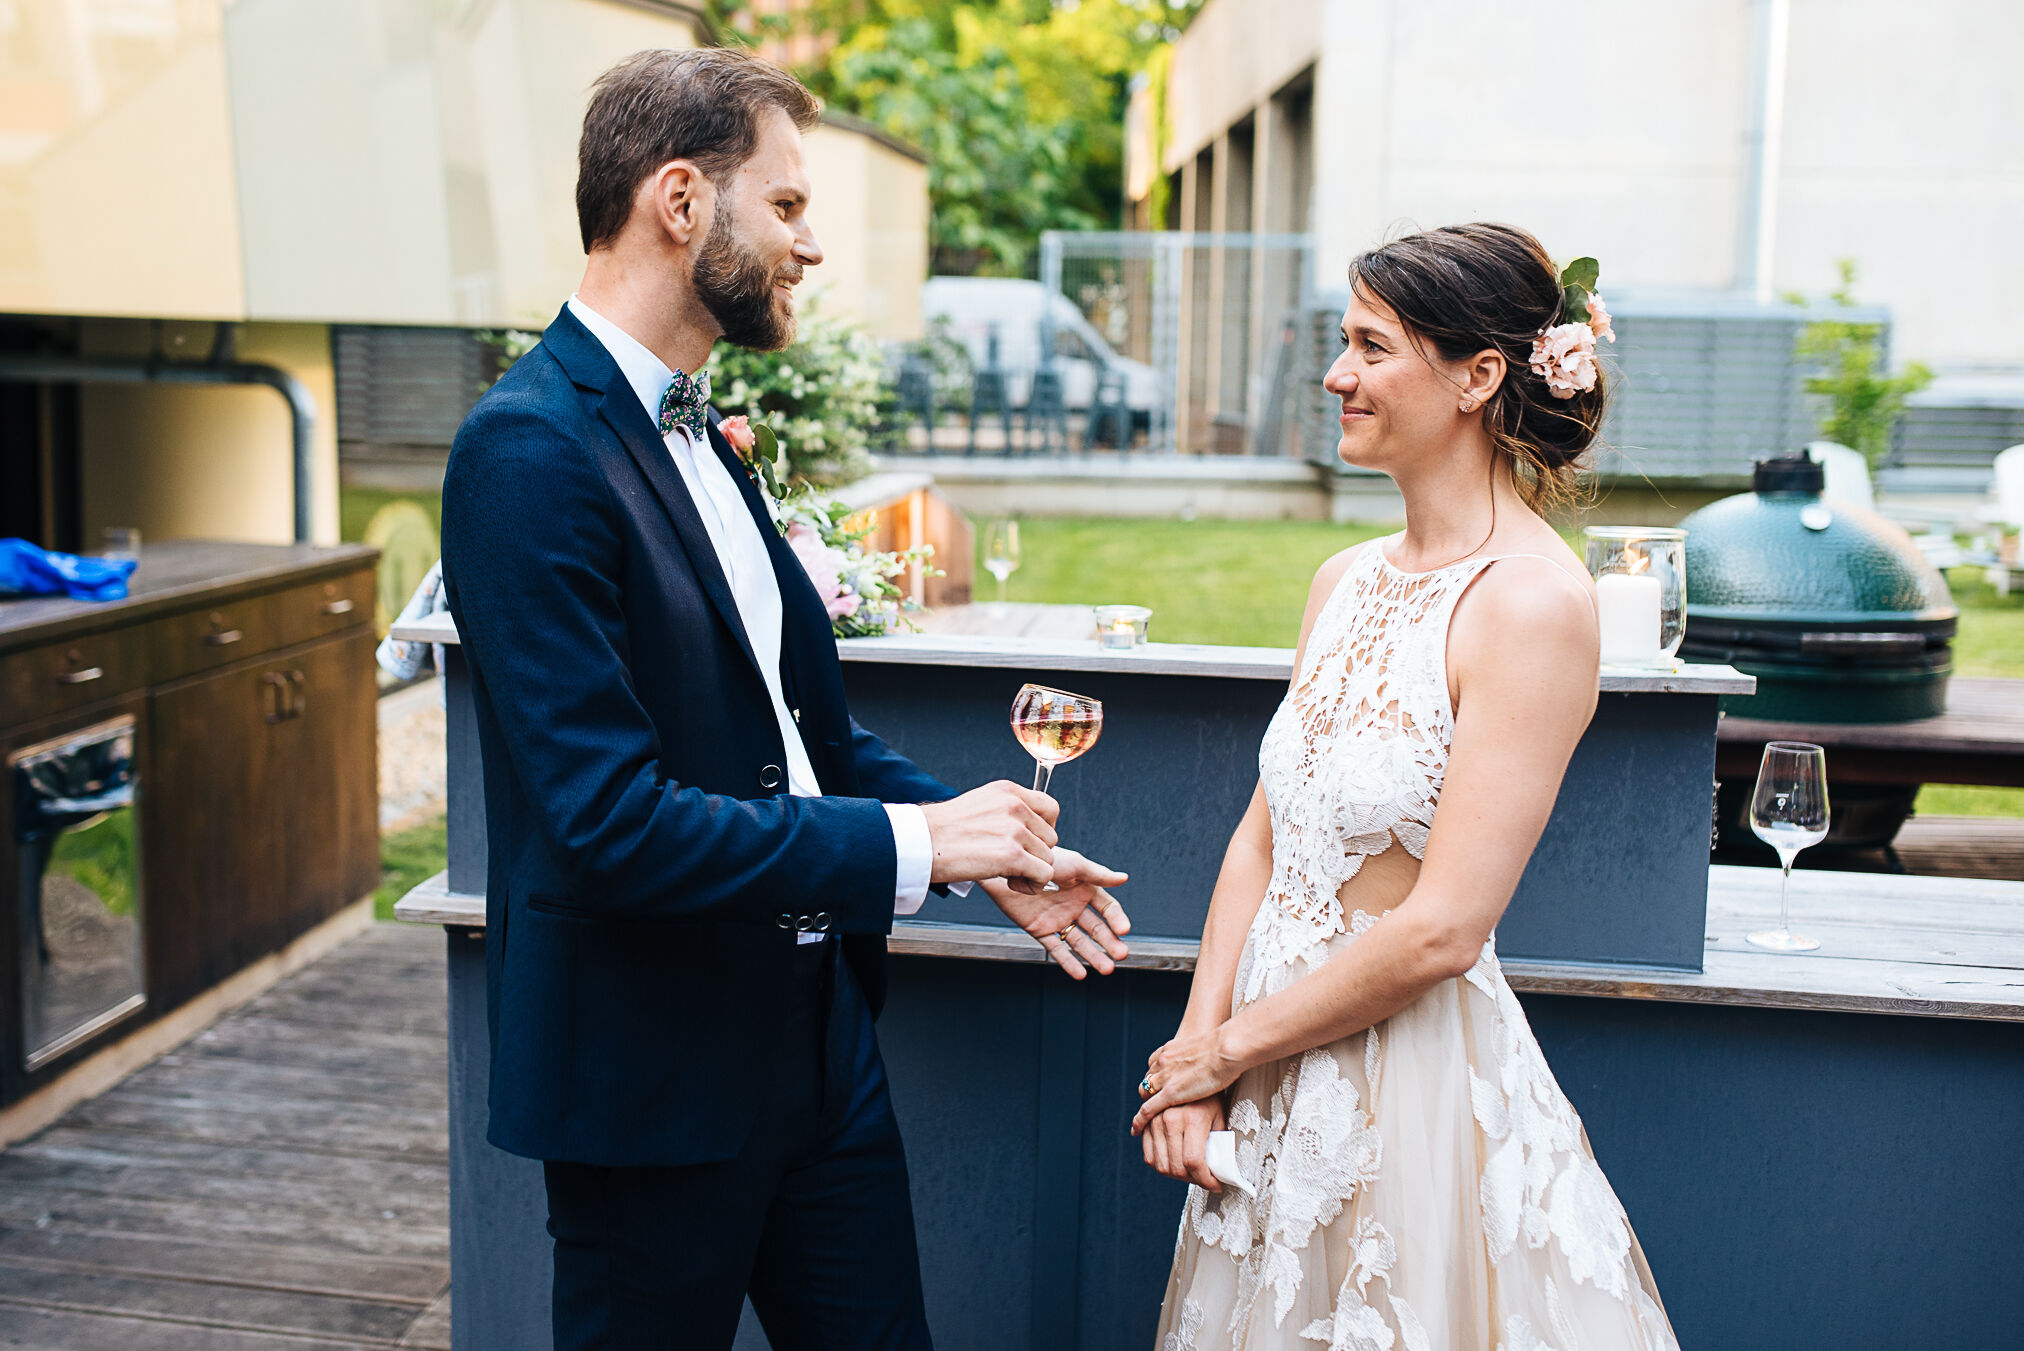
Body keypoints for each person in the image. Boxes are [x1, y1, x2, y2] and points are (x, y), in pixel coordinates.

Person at [439, 47, 1131, 1351]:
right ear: (683, 200)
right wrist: (924, 846)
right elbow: (611, 818)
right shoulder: (526, 453)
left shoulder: (698, 427)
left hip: (819, 1055)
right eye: (793, 207)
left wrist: (986, 850)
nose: (812, 247)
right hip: (648, 1081)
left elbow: (805, 742)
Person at [1132, 223, 1679, 1351]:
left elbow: (1441, 928)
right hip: (1263, 1069)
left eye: (1372, 348)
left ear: (1477, 377)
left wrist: (1227, 1052)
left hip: (1403, 1090)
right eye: (1344, 343)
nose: (1337, 375)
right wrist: (1195, 1060)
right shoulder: (1340, 580)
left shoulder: (1531, 602)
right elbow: (1260, 843)